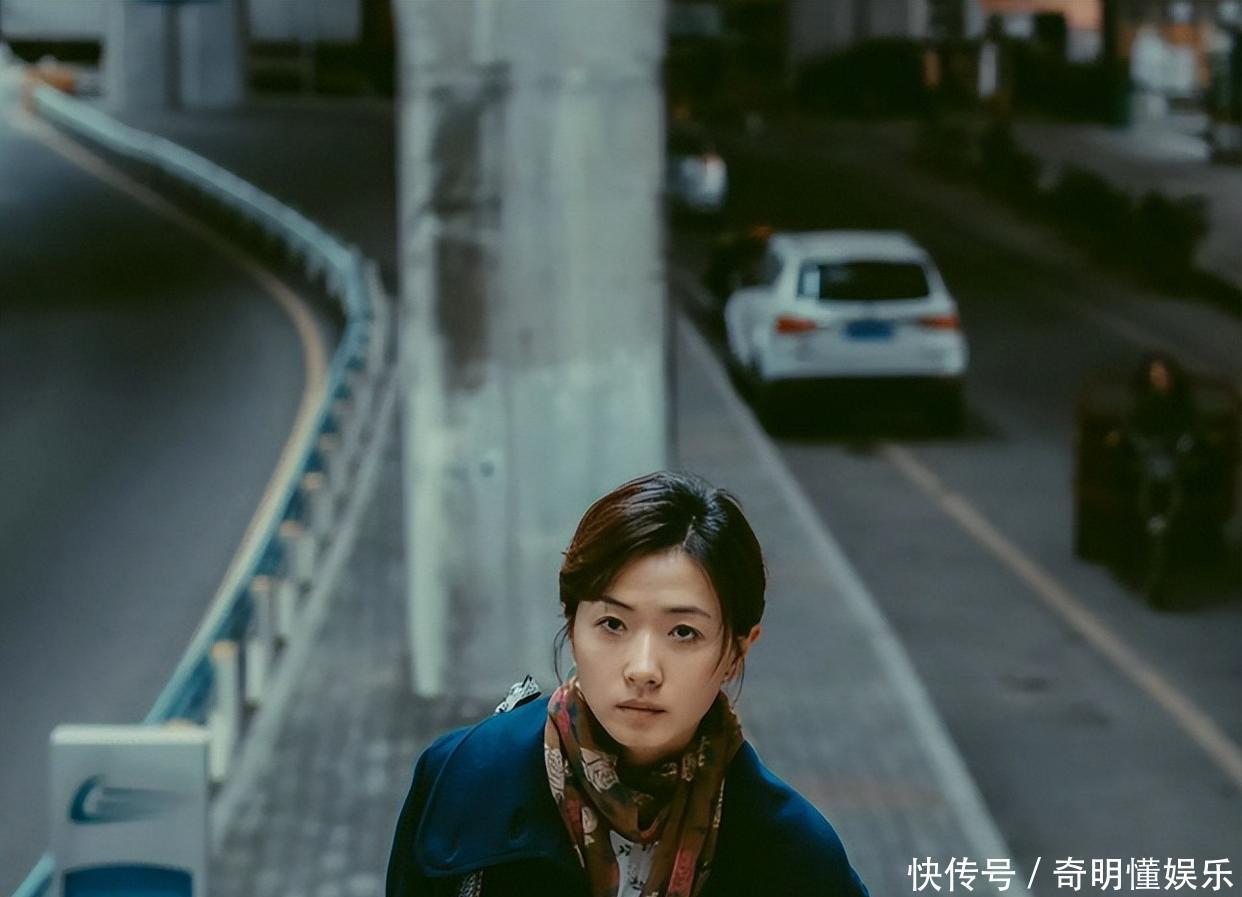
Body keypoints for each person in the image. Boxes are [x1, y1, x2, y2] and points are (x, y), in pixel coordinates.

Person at [386, 471, 870, 897]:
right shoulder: (463, 782)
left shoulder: (794, 856)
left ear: (738, 651)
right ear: (572, 624)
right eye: (613, 624)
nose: (643, 669)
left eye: (684, 632)